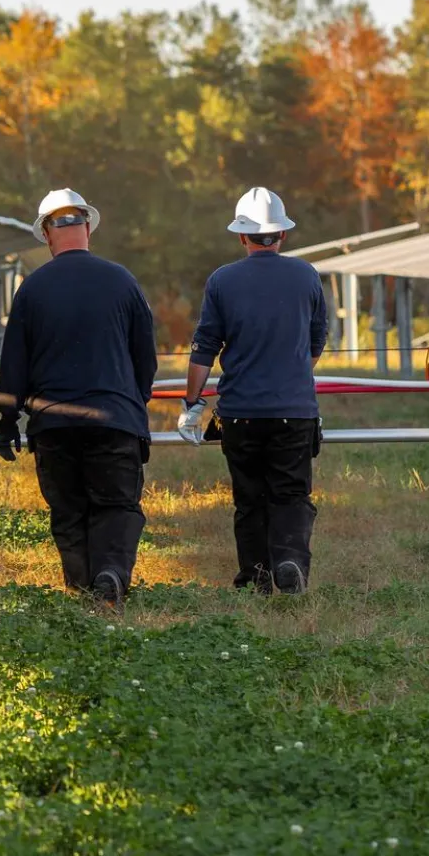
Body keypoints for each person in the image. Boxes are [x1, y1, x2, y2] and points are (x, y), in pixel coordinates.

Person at [0, 188, 159, 608]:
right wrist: (134, 405)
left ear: (47, 234)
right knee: (117, 506)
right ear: (87, 227)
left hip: (54, 425)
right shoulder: (123, 281)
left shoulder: (31, 290)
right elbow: (146, 357)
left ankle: (84, 590)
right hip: (114, 419)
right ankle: (110, 577)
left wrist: (8, 419)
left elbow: (14, 363)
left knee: (69, 513)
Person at [177, 187, 327, 594]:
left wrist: (192, 405)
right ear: (282, 235)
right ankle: (291, 561)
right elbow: (316, 343)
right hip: (294, 412)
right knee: (292, 494)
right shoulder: (306, 276)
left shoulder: (222, 281)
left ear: (242, 236)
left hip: (240, 413)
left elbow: (204, 348)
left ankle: (256, 580)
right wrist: (291, 374)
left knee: (250, 500)